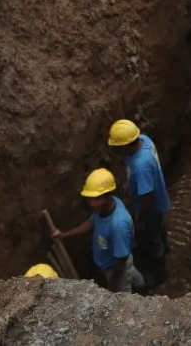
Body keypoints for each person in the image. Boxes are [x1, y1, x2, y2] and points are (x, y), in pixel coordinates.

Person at [51, 168, 145, 292]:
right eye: (90, 198)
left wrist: (112, 285)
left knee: (123, 297)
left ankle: (141, 296)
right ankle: (143, 286)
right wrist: (64, 235)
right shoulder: (105, 208)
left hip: (116, 268)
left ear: (108, 195)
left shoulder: (118, 224)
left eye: (96, 199)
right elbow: (90, 223)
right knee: (131, 273)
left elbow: (121, 260)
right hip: (113, 264)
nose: (92, 204)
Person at [108, 119, 170, 270]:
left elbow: (148, 197)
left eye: (117, 148)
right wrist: (131, 183)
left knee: (151, 237)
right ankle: (164, 247)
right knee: (158, 230)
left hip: (151, 210)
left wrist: (140, 220)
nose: (116, 152)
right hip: (159, 202)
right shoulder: (144, 140)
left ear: (125, 145)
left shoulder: (141, 166)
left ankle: (158, 267)